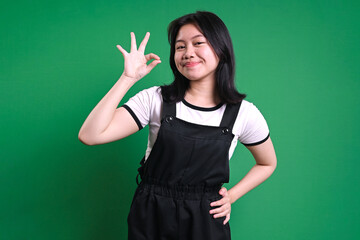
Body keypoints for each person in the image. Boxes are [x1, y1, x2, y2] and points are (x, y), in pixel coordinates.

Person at [78, 11, 277, 240]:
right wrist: (128, 78)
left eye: (198, 43)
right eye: (180, 47)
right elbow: (90, 135)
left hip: (206, 219)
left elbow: (267, 163)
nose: (188, 53)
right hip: (152, 214)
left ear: (221, 49)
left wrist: (231, 196)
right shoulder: (155, 100)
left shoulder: (244, 113)